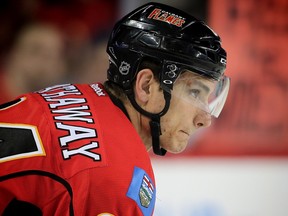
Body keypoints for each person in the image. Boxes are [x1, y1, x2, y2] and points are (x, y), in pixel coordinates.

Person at [0, 2, 230, 216]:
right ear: (146, 86)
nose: (204, 119)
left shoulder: (75, 93)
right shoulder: (116, 183)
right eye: (194, 93)